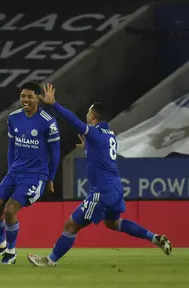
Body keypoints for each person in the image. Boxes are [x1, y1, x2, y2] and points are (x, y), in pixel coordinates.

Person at [27, 83, 172, 267]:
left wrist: (54, 105)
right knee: (113, 223)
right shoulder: (109, 135)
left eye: (88, 112)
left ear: (93, 116)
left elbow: (72, 121)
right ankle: (154, 238)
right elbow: (102, 155)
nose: (86, 115)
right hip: (116, 188)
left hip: (101, 191)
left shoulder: (94, 133)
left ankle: (50, 260)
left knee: (71, 225)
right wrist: (88, 148)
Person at [0, 81, 61, 265]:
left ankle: (11, 252)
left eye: (29, 96)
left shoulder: (48, 122)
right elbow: (11, 146)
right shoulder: (13, 118)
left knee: (10, 210)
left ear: (38, 97)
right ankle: (1, 244)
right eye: (23, 96)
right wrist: (11, 168)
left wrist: (50, 178)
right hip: (14, 172)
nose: (25, 100)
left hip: (35, 176)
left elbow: (55, 152)